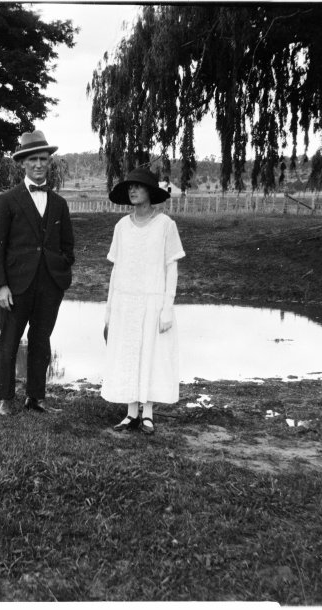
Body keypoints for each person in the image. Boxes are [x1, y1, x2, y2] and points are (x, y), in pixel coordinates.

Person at [0, 130, 75, 416]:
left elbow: (68, 246)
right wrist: (1, 286)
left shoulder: (60, 204)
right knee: (9, 341)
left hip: (49, 285)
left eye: (44, 159)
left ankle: (36, 397)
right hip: (16, 286)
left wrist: (59, 273)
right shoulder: (6, 201)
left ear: (49, 162)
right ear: (22, 163)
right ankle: (5, 398)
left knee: (41, 341)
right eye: (33, 159)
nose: (39, 164)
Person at [102, 167, 185, 435]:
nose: (133, 191)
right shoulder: (121, 227)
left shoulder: (165, 226)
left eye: (138, 186)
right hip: (126, 301)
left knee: (150, 353)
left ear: (151, 192)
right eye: (130, 187)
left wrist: (167, 308)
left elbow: (171, 268)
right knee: (128, 352)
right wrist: (109, 312)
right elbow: (116, 271)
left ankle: (147, 413)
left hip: (153, 300)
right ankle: (130, 413)